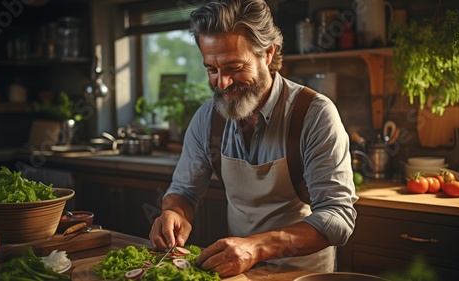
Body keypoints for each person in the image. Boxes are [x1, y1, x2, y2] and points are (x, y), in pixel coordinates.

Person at [149, 0, 358, 277]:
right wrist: (174, 213)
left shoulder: (314, 114)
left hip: (303, 273)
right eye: (212, 69)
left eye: (233, 67)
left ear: (268, 54)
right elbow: (184, 192)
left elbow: (338, 217)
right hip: (239, 270)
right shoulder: (207, 119)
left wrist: (257, 248)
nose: (222, 83)